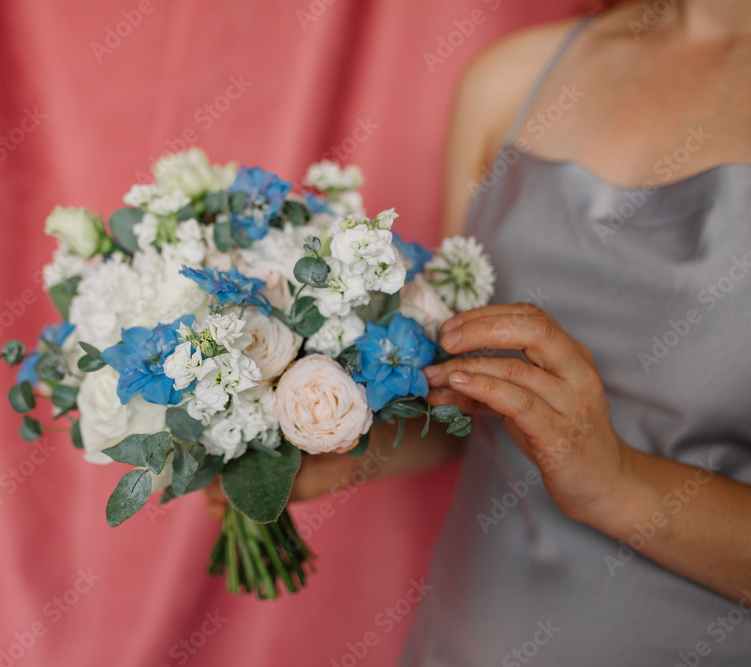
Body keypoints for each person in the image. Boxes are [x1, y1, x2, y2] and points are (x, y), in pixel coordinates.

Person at [207, 1, 751, 664]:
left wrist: (619, 485)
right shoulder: (512, 79)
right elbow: (467, 402)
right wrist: (336, 450)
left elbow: (591, 466)